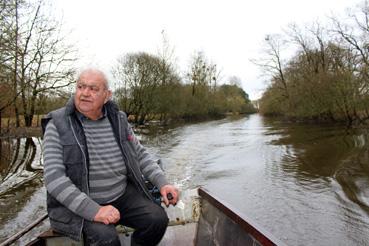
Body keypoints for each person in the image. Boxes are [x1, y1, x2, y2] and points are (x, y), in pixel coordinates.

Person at [41, 68, 179, 246]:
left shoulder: (119, 119)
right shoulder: (57, 124)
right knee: (106, 239)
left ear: (107, 95)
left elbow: (140, 155)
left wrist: (163, 183)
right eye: (81, 86)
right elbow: (54, 178)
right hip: (84, 202)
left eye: (93, 89)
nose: (84, 93)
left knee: (157, 219)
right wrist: (94, 211)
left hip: (121, 194)